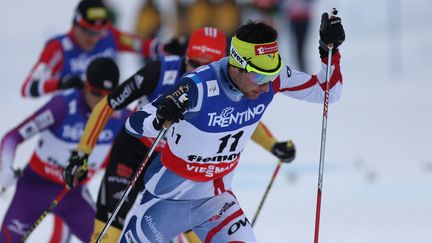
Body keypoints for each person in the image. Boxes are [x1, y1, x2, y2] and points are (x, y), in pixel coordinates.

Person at [113, 13, 344, 242]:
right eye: (259, 77)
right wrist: (160, 116)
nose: (266, 86)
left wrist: (328, 52)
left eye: (271, 75)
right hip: (166, 199)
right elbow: (134, 124)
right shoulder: (199, 86)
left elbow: (327, 92)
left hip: (216, 201)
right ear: (237, 65)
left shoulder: (271, 78)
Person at [62, 26, 296, 243]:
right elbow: (108, 104)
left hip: (177, 170)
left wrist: (273, 145)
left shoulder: (227, 83)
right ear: (185, 57)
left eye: (208, 65)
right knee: (108, 233)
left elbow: (239, 121)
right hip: (135, 152)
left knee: (197, 235)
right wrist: (82, 153)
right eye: (193, 63)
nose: (198, 71)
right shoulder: (161, 70)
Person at [0, 57, 132, 242]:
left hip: (72, 195)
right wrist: (5, 167)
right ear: (86, 86)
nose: (101, 102)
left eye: (108, 97)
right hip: (35, 188)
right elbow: (12, 137)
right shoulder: (62, 106)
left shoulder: (122, 117)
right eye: (95, 93)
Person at [20, 0, 184, 98]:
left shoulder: (109, 35)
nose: (93, 38)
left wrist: (167, 46)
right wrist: (60, 84)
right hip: (69, 120)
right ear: (75, 25)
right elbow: (28, 87)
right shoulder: (57, 47)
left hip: (105, 115)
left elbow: (144, 46)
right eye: (88, 31)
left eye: (98, 32)